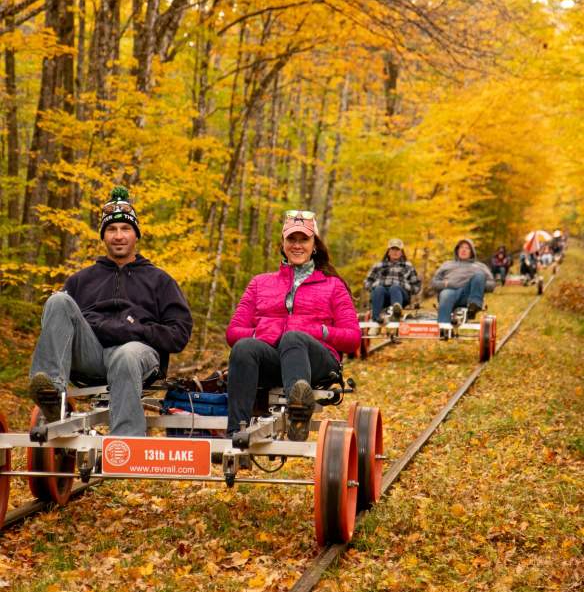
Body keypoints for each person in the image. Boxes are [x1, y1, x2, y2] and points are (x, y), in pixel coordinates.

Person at [28, 186, 193, 436]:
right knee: (58, 301)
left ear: (136, 234)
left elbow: (179, 334)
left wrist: (134, 330)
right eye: (111, 229)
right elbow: (66, 325)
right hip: (92, 355)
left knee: (126, 354)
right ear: (103, 236)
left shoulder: (159, 280)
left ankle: (127, 444)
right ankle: (52, 395)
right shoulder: (81, 281)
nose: (118, 235)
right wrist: (110, 327)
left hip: (139, 356)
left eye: (125, 228)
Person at [226, 210, 360, 441]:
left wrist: (317, 330)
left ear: (314, 245)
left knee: (294, 337)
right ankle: (236, 434)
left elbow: (352, 338)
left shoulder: (333, 285)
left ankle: (298, 415)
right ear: (283, 243)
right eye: (292, 239)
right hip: (274, 360)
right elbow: (233, 333)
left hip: (317, 360)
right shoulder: (260, 283)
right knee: (244, 346)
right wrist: (261, 332)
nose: (297, 245)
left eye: (304, 239)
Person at [430, 239, 495, 334]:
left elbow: (492, 284)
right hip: (450, 292)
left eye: (467, 248)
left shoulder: (480, 266)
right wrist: (446, 284)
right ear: (457, 250)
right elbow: (434, 283)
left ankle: (474, 306)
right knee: (446, 293)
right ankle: (443, 328)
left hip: (468, 295)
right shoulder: (447, 264)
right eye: (461, 247)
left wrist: (478, 285)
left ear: (472, 252)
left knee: (479, 275)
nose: (463, 250)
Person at [364, 238, 422, 322]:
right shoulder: (378, 265)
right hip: (381, 296)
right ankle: (376, 318)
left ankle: (396, 314)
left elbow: (416, 285)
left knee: (394, 288)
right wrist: (372, 288)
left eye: (397, 250)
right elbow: (367, 281)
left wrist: (410, 290)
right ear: (388, 251)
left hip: (400, 295)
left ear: (401, 252)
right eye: (393, 249)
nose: (395, 252)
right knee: (379, 289)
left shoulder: (407, 265)